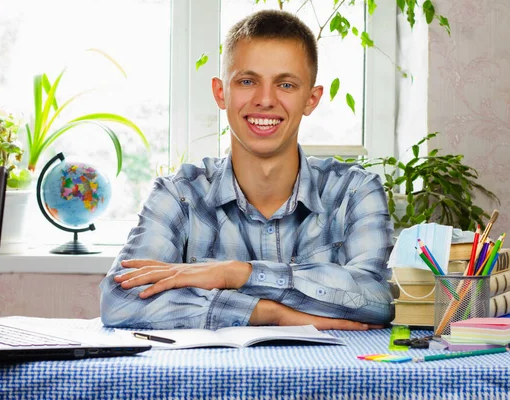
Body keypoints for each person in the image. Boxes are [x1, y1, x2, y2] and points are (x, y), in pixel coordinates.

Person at [100, 9, 394, 331]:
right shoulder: (179, 196)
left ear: (311, 99)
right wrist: (271, 314)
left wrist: (235, 274)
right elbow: (120, 300)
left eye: (285, 84)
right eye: (247, 81)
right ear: (220, 92)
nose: (265, 100)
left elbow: (376, 299)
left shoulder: (354, 191)